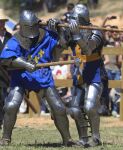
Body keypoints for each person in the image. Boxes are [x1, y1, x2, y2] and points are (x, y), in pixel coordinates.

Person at [0, 10, 73, 146]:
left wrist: (60, 29)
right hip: (21, 78)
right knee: (11, 105)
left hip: (42, 77)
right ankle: (5, 138)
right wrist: (25, 64)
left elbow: (62, 45)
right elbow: (5, 59)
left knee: (58, 108)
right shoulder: (16, 40)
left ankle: (67, 140)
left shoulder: (47, 35)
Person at [66, 4, 105, 147]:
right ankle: (83, 138)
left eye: (74, 19)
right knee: (75, 109)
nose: (71, 22)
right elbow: (60, 45)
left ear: (81, 19)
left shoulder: (96, 32)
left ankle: (96, 138)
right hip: (79, 74)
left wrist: (77, 35)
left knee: (89, 106)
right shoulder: (71, 31)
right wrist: (54, 29)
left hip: (95, 73)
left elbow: (88, 50)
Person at [0, 10, 12, 129]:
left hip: (8, 71)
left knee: (6, 97)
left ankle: (5, 120)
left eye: (3, 22)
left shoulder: (10, 37)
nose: (1, 24)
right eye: (0, 22)